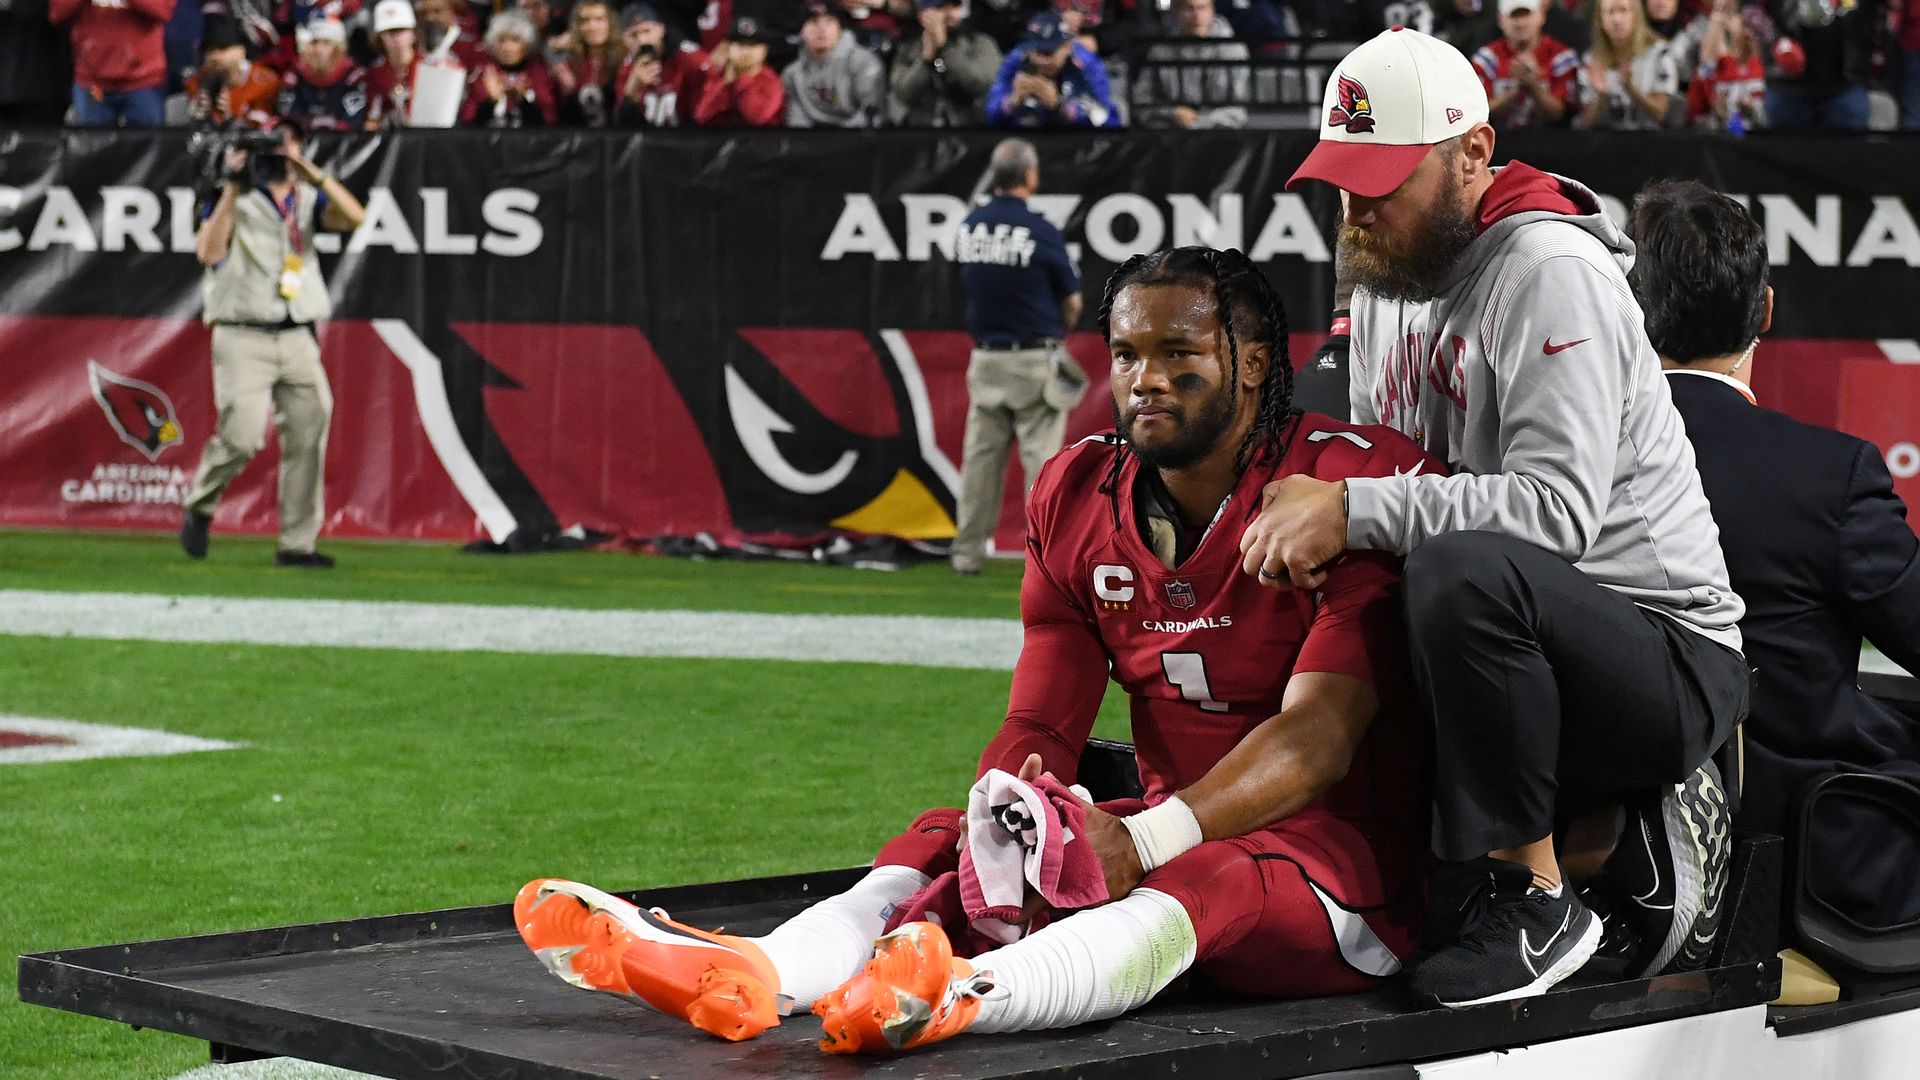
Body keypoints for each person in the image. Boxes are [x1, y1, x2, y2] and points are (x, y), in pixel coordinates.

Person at [513, 245, 1443, 1052]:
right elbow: (1041, 716)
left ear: (1250, 365)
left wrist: (1146, 840)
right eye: (1124, 353)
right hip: (1170, 829)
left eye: (1178, 353)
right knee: (953, 838)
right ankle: (763, 971)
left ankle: (959, 998)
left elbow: (1320, 735)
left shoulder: (1345, 481)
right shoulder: (1080, 491)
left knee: (1209, 873)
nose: (1144, 379)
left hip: (1338, 877)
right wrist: (1008, 818)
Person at [1265, 27, 1749, 1006]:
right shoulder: (1391, 262)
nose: (1357, 206)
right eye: (1344, 179)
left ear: (1472, 154)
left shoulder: (1546, 268)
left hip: (1664, 653)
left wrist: (1353, 509)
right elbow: (1386, 461)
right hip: (1514, 653)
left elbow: (1555, 514)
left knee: (1456, 563)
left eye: (1385, 179)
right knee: (1354, 566)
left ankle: (1532, 897)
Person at [1627, 180, 1920, 944]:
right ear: (1764, 311)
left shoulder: (1556, 468)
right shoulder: (1830, 475)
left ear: (1628, 311)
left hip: (1613, 856)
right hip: (1809, 873)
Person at [181, 123, 365, 569]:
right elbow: (207, 252)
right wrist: (229, 186)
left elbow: (356, 218)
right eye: (266, 148)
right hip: (243, 332)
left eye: (284, 145)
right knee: (242, 437)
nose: (276, 155)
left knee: (308, 430)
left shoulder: (305, 197)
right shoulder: (231, 195)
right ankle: (200, 503)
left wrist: (313, 174)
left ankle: (297, 543)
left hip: (297, 332)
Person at [948, 139, 1084, 577]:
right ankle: (1043, 562)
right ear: (1030, 176)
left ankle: (966, 553)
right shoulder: (1039, 230)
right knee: (1041, 468)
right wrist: (1058, 331)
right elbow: (1074, 301)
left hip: (986, 359)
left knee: (980, 465)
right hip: (1032, 360)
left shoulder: (970, 225)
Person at [985, 11, 1121, 127]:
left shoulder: (1086, 64)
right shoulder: (1016, 60)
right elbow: (990, 113)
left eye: (1048, 53)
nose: (1042, 61)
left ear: (1067, 47)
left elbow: (1108, 119)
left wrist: (1060, 108)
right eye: (1037, 52)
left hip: (1076, 144)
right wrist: (1011, 103)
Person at [51, 0, 176, 126]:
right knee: (93, 143)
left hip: (144, 82)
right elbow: (57, 12)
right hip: (93, 84)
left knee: (148, 143)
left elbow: (163, 10)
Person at [1133, 0, 1251, 130]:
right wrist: (1172, 113)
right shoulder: (1160, 51)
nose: (1197, 16)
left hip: (1223, 134)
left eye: (1202, 8)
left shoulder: (1233, 50)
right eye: (1189, 9)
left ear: (1212, 11)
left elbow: (1240, 107)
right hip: (1172, 135)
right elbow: (1142, 100)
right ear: (1176, 12)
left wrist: (1198, 123)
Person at [889, 0, 1002, 126]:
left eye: (955, 6)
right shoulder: (908, 48)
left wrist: (945, 50)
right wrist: (926, 60)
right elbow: (903, 94)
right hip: (920, 129)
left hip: (970, 128)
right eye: (941, 8)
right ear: (922, 15)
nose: (951, 14)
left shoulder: (979, 43)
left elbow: (981, 84)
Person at [1472, 0, 1578, 127]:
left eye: (1526, 14)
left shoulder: (1561, 57)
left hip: (1551, 141)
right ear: (1500, 20)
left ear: (1542, 16)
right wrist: (1514, 91)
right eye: (1514, 16)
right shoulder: (1486, 59)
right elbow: (1480, 115)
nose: (1521, 23)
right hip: (1501, 141)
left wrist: (1534, 87)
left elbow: (1560, 116)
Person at [1574, 0, 1677, 128]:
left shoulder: (1660, 54)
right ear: (1601, 21)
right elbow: (1585, 125)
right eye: (1610, 12)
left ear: (1636, 16)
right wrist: (1601, 96)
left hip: (1649, 142)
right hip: (1605, 143)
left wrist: (1631, 89)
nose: (1617, 19)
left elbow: (1660, 114)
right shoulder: (1591, 60)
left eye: (1623, 10)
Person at [783, 1, 887, 126]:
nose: (822, 29)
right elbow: (797, 122)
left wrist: (837, 142)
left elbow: (872, 116)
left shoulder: (865, 63)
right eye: (813, 22)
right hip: (812, 140)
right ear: (801, 31)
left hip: (859, 139)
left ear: (840, 29)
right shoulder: (792, 73)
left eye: (829, 21)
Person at [614, 2, 709, 125]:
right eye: (633, 35)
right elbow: (622, 129)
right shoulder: (627, 68)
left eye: (647, 31)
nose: (642, 40)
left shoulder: (692, 60)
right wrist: (632, 93)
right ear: (624, 39)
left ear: (661, 29)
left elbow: (708, 115)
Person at [461, 10, 559, 126]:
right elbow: (468, 123)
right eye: (501, 40)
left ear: (527, 44)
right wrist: (490, 101)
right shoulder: (485, 75)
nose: (507, 47)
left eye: (515, 40)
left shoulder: (539, 74)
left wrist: (523, 100)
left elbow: (550, 123)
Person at [693, 14, 785, 127]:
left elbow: (754, 118)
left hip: (761, 142)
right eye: (740, 45)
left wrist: (741, 79)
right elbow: (701, 117)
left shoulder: (770, 81)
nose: (746, 51)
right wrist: (725, 84)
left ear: (764, 50)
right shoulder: (720, 77)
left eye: (752, 45)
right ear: (728, 48)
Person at [188, 19, 282, 127]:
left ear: (241, 51)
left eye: (222, 48)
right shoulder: (197, 82)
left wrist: (231, 116)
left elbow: (263, 127)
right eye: (209, 50)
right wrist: (198, 112)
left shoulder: (264, 81)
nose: (214, 56)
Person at [277, 18, 368, 130]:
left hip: (344, 144)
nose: (318, 50)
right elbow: (287, 119)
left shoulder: (353, 76)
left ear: (338, 48)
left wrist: (334, 127)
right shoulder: (294, 75)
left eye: (326, 43)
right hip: (303, 142)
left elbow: (355, 122)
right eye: (314, 43)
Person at [552, 0, 627, 125]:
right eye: (585, 21)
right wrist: (570, 92)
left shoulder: (624, 60)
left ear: (610, 23)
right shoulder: (570, 65)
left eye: (599, 19)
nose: (592, 27)